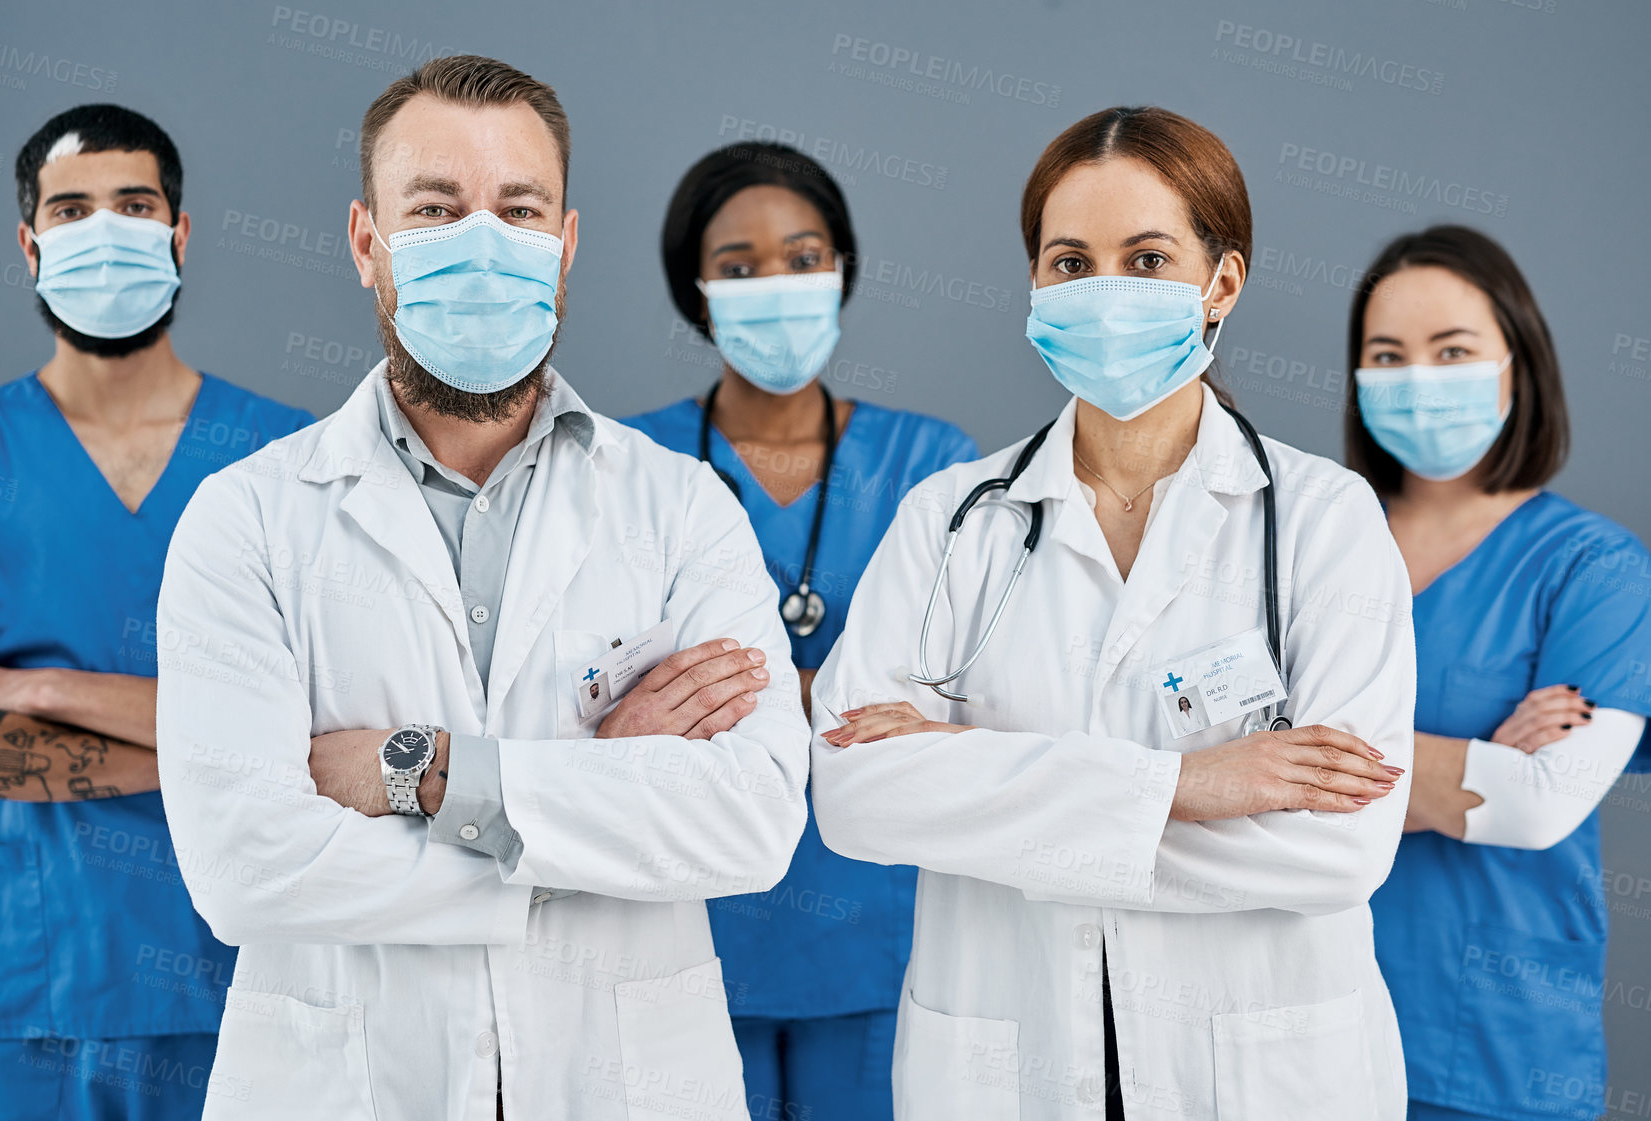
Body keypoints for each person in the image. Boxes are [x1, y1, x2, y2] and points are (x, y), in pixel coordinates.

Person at [154, 56, 809, 1120]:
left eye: (518, 210)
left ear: (565, 244)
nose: (483, 243)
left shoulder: (681, 508)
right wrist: (584, 812)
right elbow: (245, 867)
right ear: (368, 243)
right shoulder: (249, 520)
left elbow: (753, 820)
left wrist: (418, 772)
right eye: (437, 209)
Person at [808, 106, 1416, 1120]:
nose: (1102, 293)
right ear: (1034, 282)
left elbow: (1337, 849)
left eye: (1144, 259)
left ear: (1220, 282)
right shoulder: (952, 519)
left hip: (1262, 1068)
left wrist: (987, 792)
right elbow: (857, 796)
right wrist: (1187, 783)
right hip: (1011, 1065)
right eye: (1067, 261)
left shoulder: (1321, 518)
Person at [0, 104, 313, 1120]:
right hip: (17, 993)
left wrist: (46, 686)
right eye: (71, 209)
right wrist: (216, 743)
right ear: (30, 243)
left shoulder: (287, 463)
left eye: (133, 204)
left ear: (179, 233)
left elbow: (326, 727)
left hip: (239, 984)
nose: (103, 230)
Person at [621, 141, 976, 1121]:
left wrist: (733, 693)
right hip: (683, 920)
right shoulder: (629, 463)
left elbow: (953, 697)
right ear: (695, 292)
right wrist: (834, 690)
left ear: (843, 270)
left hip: (879, 928)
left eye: (801, 255)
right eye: (737, 267)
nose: (773, 285)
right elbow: (597, 698)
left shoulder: (929, 462)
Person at [1350, 226, 1651, 1121]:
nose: (1418, 378)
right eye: (1386, 355)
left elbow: (1537, 802)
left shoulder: (1593, 567)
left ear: (1517, 365)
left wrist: (1298, 764)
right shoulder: (1312, 540)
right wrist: (1476, 761)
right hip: (1299, 1020)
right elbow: (1201, 754)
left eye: (1452, 352)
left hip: (1494, 1046)